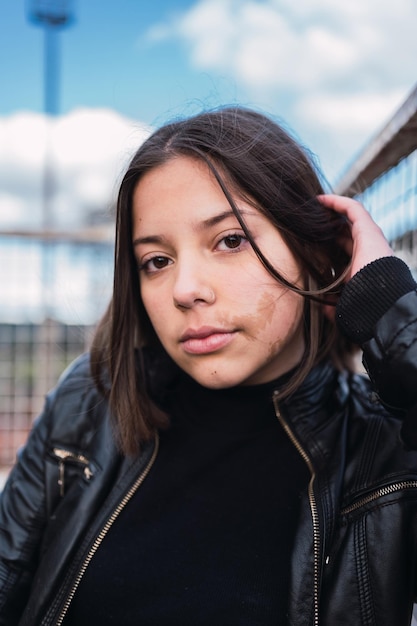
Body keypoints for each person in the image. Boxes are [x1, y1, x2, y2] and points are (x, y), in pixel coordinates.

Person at [1, 106, 417, 626]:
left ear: (312, 249)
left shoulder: (385, 449)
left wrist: (387, 307)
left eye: (230, 240)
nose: (184, 290)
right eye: (157, 260)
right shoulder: (88, 402)